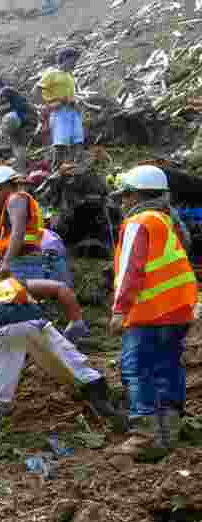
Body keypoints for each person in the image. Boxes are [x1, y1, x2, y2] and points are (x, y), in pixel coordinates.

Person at [0, 273, 119, 448]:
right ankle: (106, 406)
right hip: (35, 322)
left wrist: (5, 359)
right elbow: (60, 288)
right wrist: (76, 320)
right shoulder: (14, 284)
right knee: (73, 365)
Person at [109, 166, 199, 458]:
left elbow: (129, 269)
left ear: (135, 195)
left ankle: (145, 436)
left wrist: (119, 309)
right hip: (178, 306)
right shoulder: (168, 220)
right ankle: (169, 431)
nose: (122, 202)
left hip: (151, 309)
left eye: (125, 196)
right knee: (168, 365)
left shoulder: (140, 221)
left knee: (137, 369)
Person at [0, 166, 46, 281]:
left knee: (21, 297)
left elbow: (18, 232)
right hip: (24, 258)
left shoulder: (15, 199)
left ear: (3, 187)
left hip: (23, 261)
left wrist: (6, 262)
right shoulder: (19, 200)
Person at [38, 48, 83, 168]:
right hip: (59, 112)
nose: (75, 63)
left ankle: (73, 167)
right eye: (73, 60)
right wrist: (49, 104)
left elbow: (70, 95)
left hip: (72, 111)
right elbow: (37, 91)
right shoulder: (51, 73)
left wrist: (75, 103)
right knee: (60, 143)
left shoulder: (69, 75)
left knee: (77, 141)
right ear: (65, 59)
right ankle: (56, 168)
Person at [0, 86, 32, 173]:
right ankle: (22, 169)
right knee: (20, 146)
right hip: (26, 123)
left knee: (16, 145)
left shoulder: (4, 92)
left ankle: (18, 170)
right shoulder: (21, 101)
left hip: (16, 120)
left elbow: (4, 107)